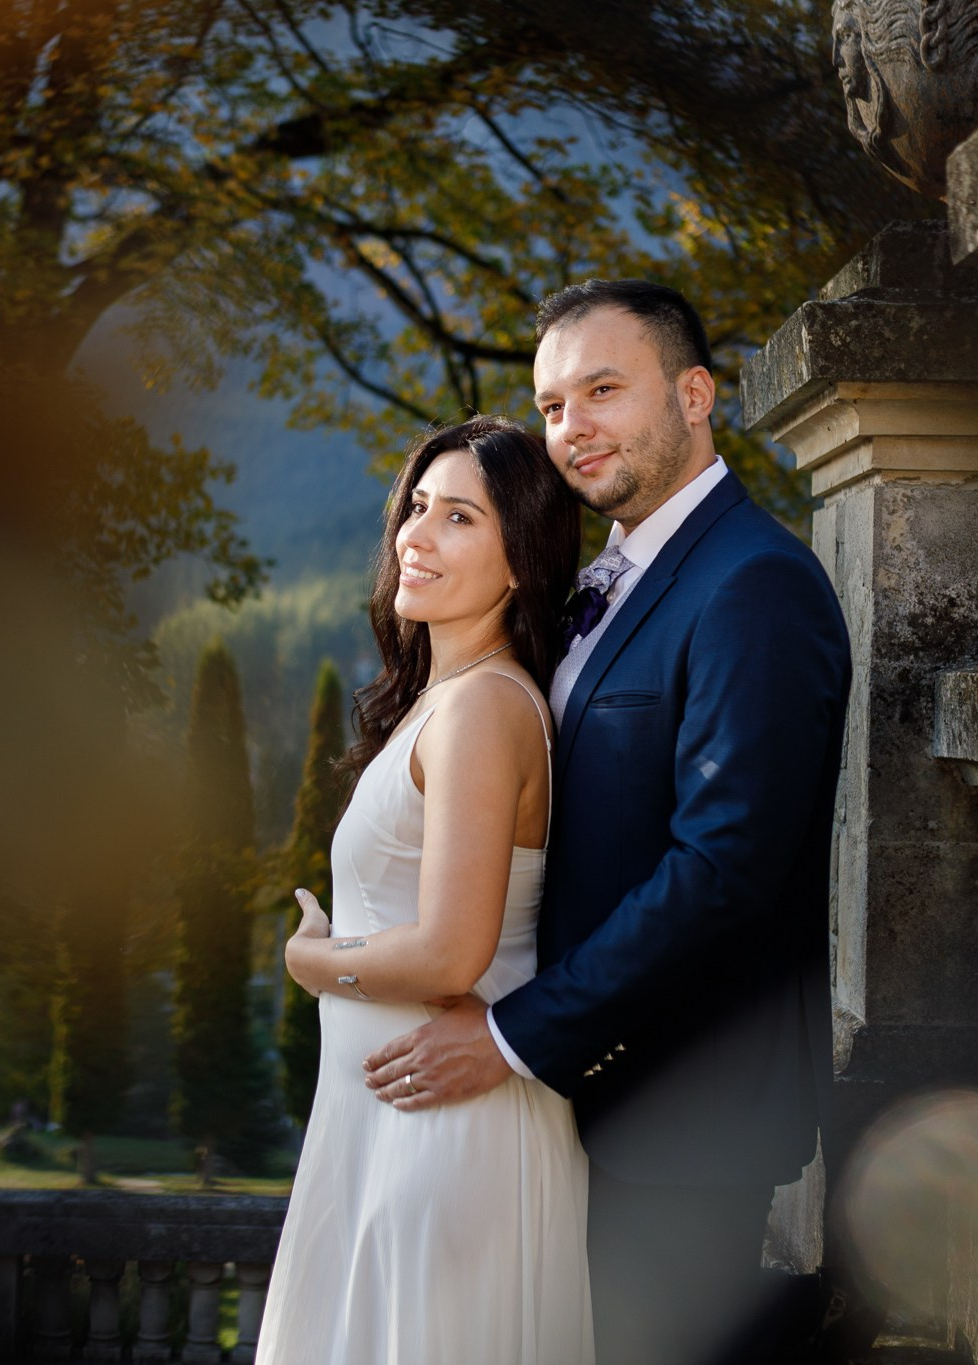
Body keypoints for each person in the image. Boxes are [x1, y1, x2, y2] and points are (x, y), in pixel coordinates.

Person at [359, 279, 850, 1365]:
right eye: (547, 405)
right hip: (576, 1107)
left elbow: (724, 868)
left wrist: (508, 1034)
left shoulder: (752, 584)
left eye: (600, 391)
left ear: (692, 393)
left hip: (679, 1111)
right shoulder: (609, 583)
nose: (568, 428)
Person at [257, 415, 591, 1364]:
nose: (416, 534)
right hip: (387, 1128)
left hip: (445, 1136)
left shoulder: (485, 707)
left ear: (521, 558)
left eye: (459, 519)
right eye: (416, 507)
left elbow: (452, 953)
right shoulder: (446, 699)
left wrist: (311, 960)